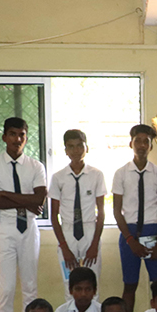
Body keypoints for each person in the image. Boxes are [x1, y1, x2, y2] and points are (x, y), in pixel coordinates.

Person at [0, 117, 47, 312]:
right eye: (13, 134)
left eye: (22, 135)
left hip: (29, 227)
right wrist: (26, 201)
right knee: (6, 288)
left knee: (30, 286)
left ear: (26, 137)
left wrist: (6, 194)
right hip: (4, 227)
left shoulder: (36, 166)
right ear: (4, 137)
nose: (17, 139)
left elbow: (39, 199)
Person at [113, 124, 157, 312]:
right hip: (129, 232)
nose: (142, 145)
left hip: (154, 231)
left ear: (151, 146)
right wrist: (130, 240)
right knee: (130, 285)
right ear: (131, 144)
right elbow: (116, 210)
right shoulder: (121, 173)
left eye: (146, 141)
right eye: (138, 141)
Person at [48, 128, 107, 301]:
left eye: (80, 145)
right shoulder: (58, 178)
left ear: (86, 148)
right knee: (69, 284)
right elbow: (54, 216)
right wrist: (64, 247)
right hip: (67, 233)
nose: (76, 150)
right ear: (65, 150)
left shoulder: (96, 175)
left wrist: (94, 244)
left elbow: (101, 212)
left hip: (89, 231)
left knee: (92, 284)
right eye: (71, 146)